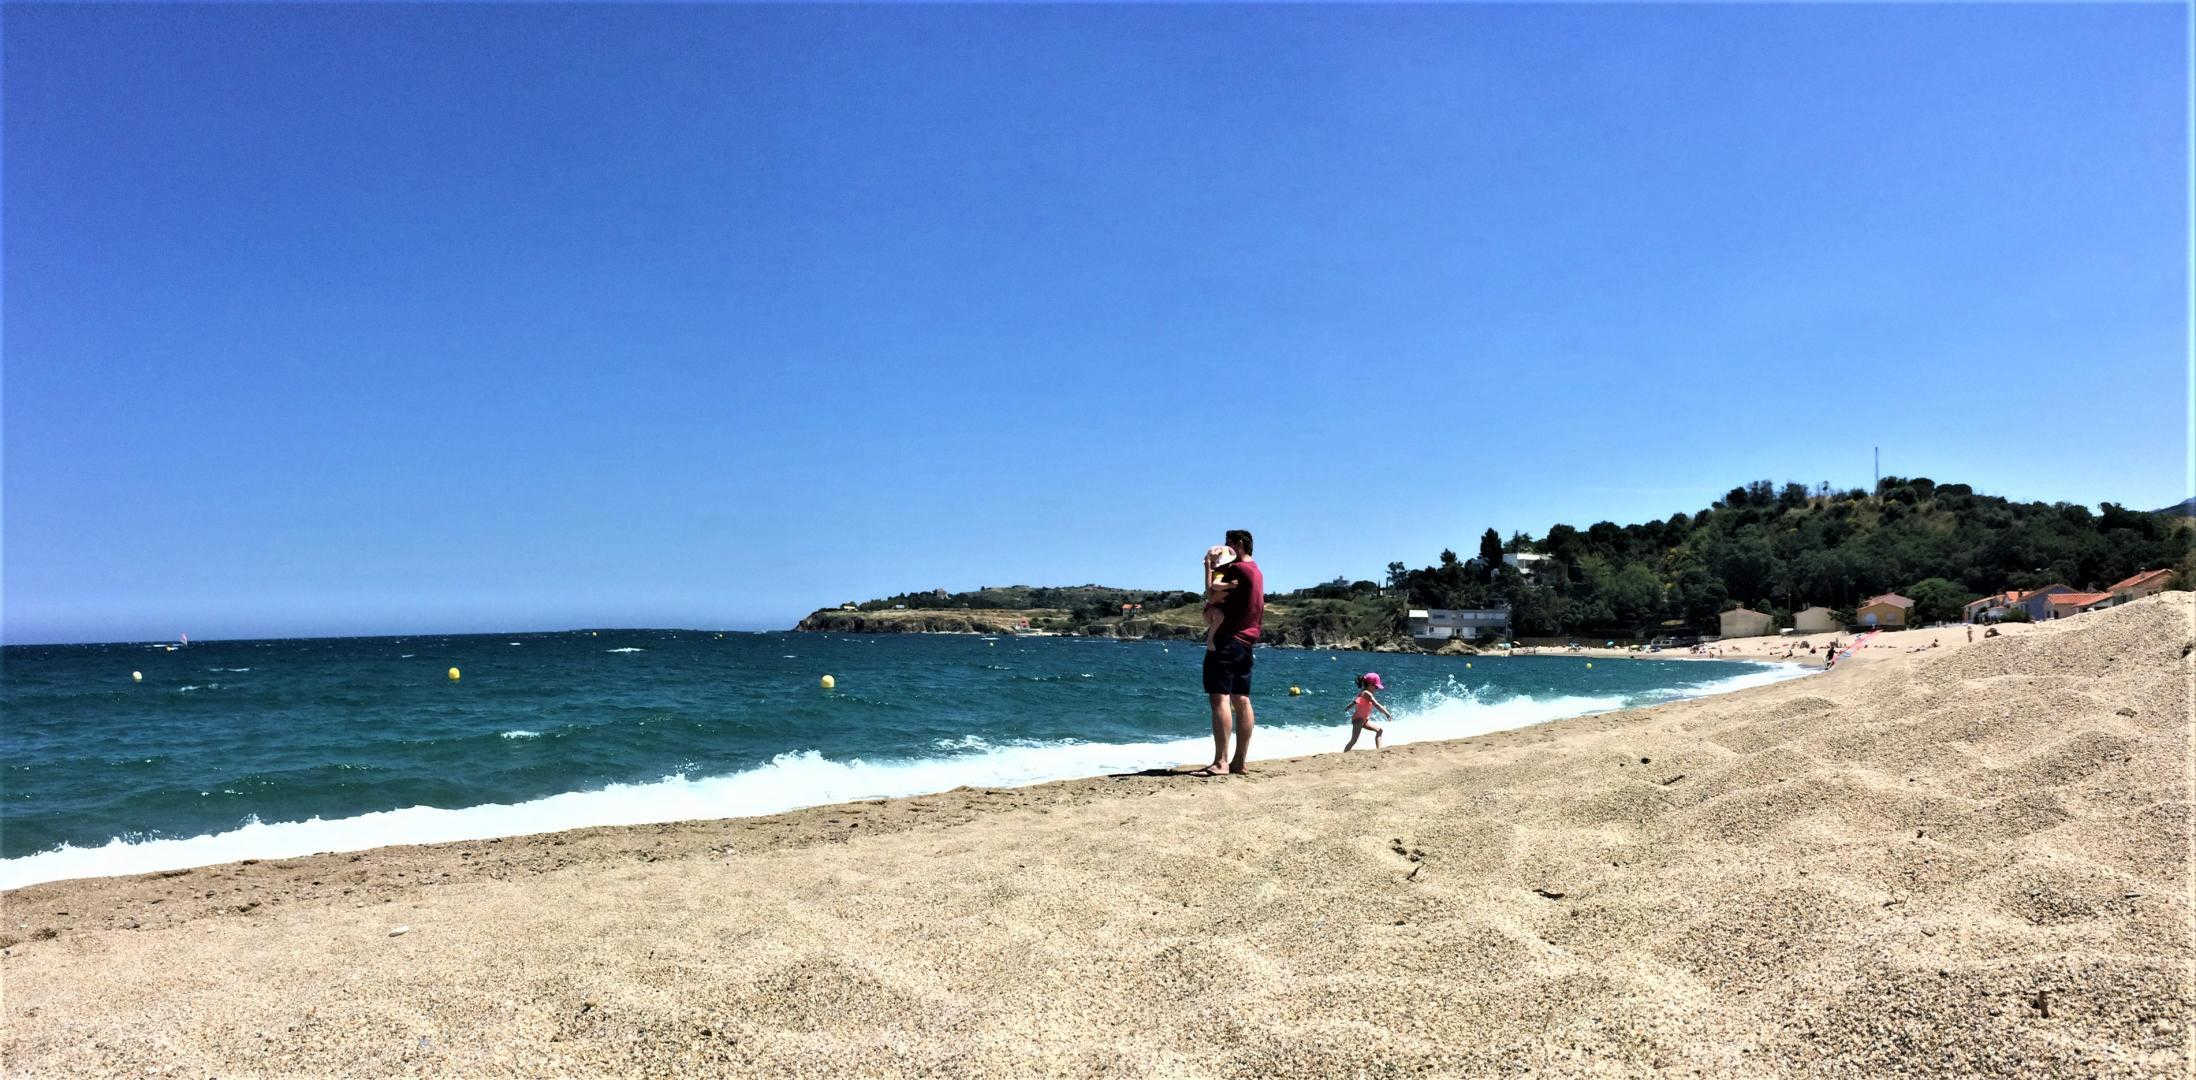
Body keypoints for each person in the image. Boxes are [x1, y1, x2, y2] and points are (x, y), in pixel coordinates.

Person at [1193, 529, 1263, 777]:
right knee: (1242, 699)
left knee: (1219, 698)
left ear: (1239, 544)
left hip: (1227, 640)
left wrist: (1208, 565)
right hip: (1246, 643)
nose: (1225, 548)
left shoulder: (1236, 569)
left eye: (1228, 543)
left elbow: (1211, 592)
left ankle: (1221, 762)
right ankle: (1239, 761)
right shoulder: (1256, 571)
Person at [1200, 544, 1237, 652]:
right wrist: (1230, 585)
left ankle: (1213, 639)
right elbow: (1215, 585)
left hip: (1212, 609)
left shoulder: (1219, 572)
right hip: (1212, 610)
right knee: (1220, 617)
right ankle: (1209, 640)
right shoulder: (1220, 573)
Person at [1343, 673, 1393, 751]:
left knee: (1379, 731)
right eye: (1376, 687)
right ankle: (1345, 753)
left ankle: (1379, 750)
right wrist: (1387, 713)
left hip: (1364, 720)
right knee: (1354, 740)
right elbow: (1377, 705)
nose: (1376, 689)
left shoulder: (1363, 692)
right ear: (1370, 685)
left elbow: (1356, 701)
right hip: (1359, 720)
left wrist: (1348, 707)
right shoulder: (1367, 693)